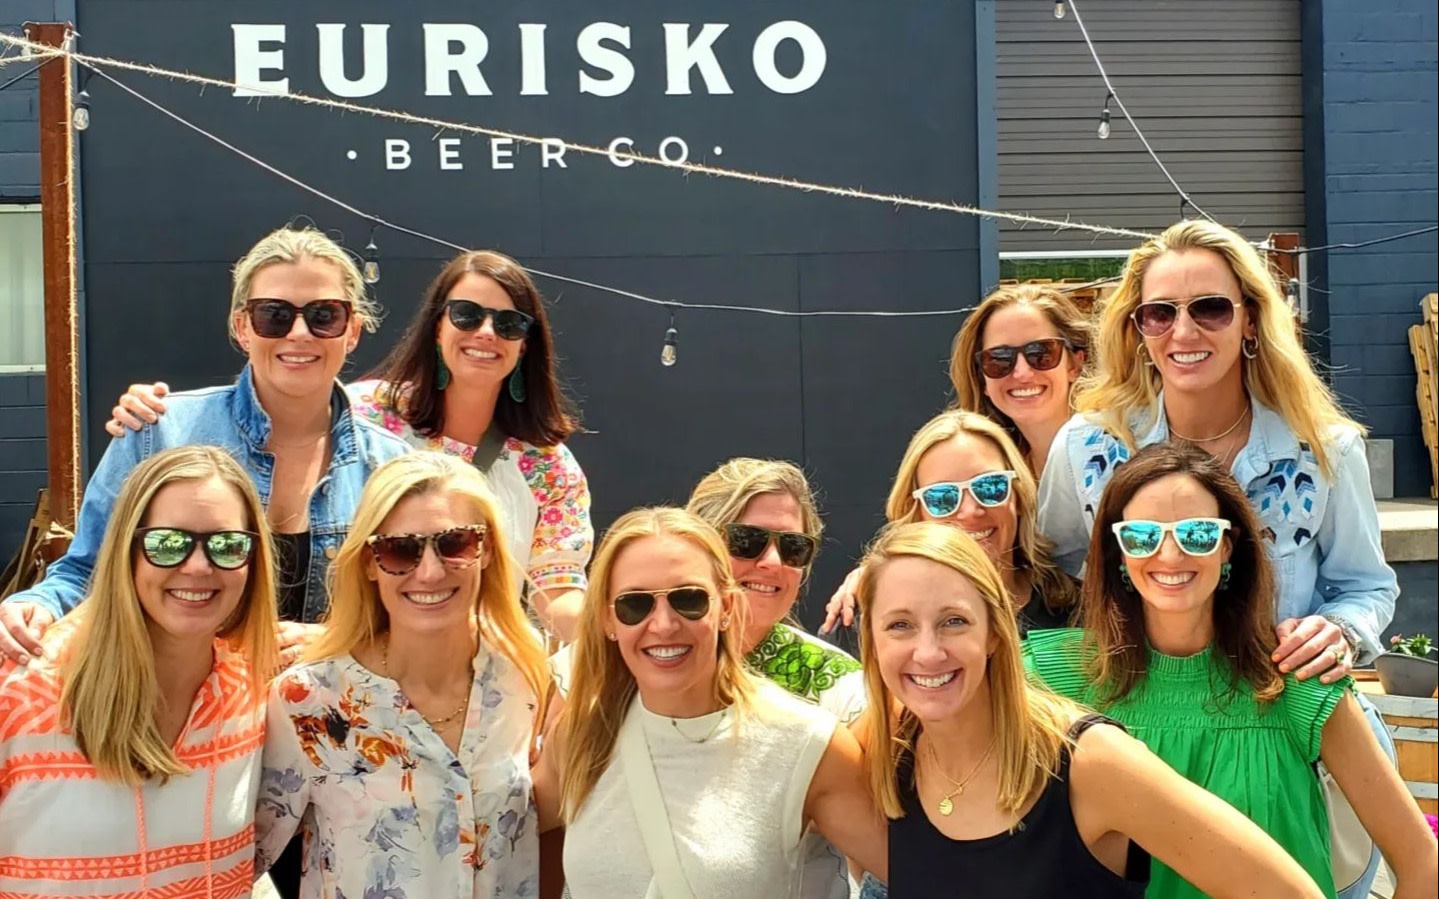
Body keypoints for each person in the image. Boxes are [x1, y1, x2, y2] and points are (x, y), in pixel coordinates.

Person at [1036, 219, 1399, 896]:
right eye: (1159, 312)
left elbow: (1366, 585)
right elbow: (1050, 570)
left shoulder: (1323, 449)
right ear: (1136, 330)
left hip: (1293, 739)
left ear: (1251, 319)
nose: (1183, 331)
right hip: (1142, 738)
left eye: (1208, 307)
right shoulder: (1088, 447)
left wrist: (1339, 630)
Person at [109, 249, 594, 642]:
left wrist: (614, 628)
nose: (486, 333)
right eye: (467, 315)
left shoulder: (548, 468)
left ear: (526, 343)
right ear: (437, 325)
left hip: (435, 667)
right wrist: (151, 415)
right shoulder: (369, 414)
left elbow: (558, 589)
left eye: (509, 324)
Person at [1025, 443, 1438, 899]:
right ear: (1118, 552)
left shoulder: (1297, 680)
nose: (1170, 554)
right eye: (1142, 536)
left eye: (1197, 534)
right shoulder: (1051, 679)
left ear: (1227, 547)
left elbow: (1424, 864)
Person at [3, 225, 410, 669]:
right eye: (274, 315)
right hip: (179, 704)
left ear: (352, 331)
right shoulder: (159, 434)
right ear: (242, 327)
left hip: (324, 708)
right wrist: (35, 606)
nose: (299, 333)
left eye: (324, 315)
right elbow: (87, 572)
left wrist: (339, 640)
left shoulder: (390, 468)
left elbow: (411, 608)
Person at [854, 519, 1328, 899]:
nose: (928, 652)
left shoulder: (1091, 760)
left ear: (995, 633)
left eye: (955, 621)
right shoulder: (883, 748)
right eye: (899, 626)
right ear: (871, 640)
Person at [532, 507, 887, 898]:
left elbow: (916, 874)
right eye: (635, 605)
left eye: (690, 600)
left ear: (726, 608)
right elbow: (506, 839)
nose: (664, 625)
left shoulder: (808, 743)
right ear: (607, 620)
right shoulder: (581, 736)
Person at [255, 451, 553, 898]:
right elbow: (238, 860)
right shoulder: (308, 701)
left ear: (487, 550)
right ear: (369, 563)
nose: (430, 571)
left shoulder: (526, 673)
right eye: (400, 550)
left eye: (455, 543)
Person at [0, 446, 279, 897]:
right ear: (126, 551)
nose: (198, 566)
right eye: (167, 543)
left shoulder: (258, 693)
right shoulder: (20, 689)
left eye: (227, 545)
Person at [823, 410, 1078, 636]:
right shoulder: (867, 620)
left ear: (1018, 495)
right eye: (943, 497)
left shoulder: (1080, 611)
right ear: (917, 512)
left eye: (990, 487)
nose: (970, 511)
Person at [686, 458, 864, 723]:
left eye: (793, 546)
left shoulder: (840, 685)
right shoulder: (646, 654)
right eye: (747, 540)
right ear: (696, 544)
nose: (773, 562)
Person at [949, 283, 1091, 476]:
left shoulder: (1120, 453)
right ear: (982, 379)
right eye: (1000, 359)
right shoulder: (992, 481)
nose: (1022, 373)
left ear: (1075, 364)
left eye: (1040, 353)